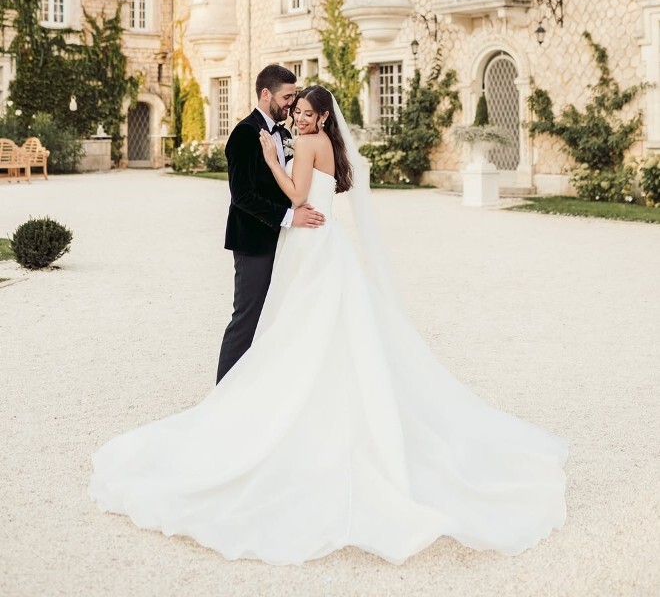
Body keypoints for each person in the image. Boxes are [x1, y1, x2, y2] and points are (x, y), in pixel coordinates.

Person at [89, 86, 568, 565]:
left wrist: (271, 160)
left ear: (321, 118)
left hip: (309, 242)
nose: (298, 118)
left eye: (305, 113)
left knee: (302, 323)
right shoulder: (329, 146)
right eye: (295, 111)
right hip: (324, 240)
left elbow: (297, 194)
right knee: (319, 323)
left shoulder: (311, 144)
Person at [217, 64, 325, 383]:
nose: (292, 104)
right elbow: (243, 196)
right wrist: (291, 217)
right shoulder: (244, 134)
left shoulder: (286, 134)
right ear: (266, 95)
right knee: (247, 317)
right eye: (287, 97)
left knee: (275, 315)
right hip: (253, 242)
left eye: (293, 96)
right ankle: (223, 392)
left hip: (282, 241)